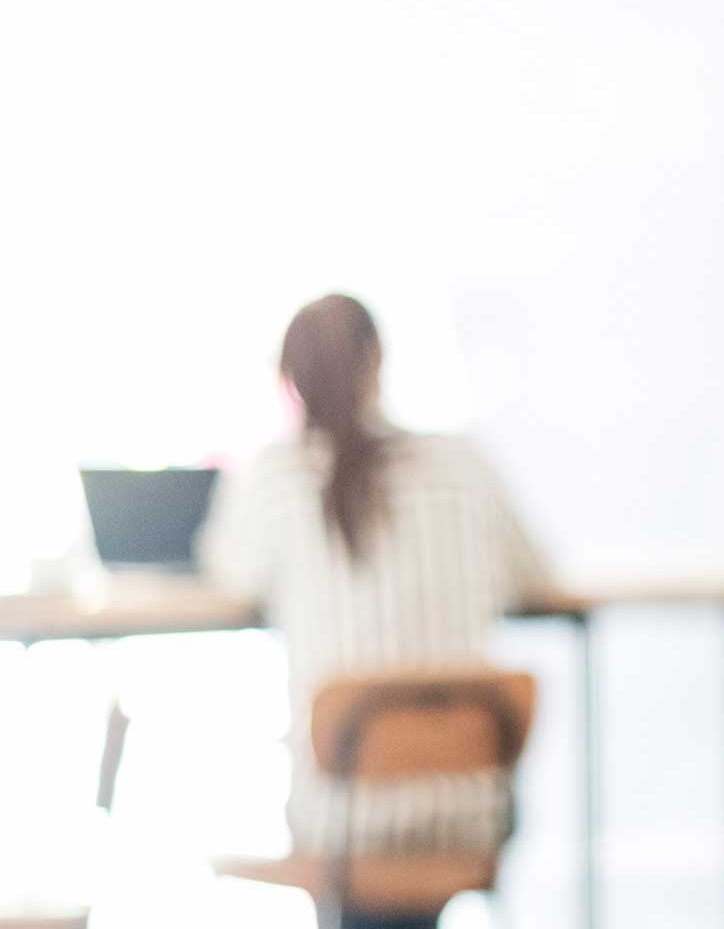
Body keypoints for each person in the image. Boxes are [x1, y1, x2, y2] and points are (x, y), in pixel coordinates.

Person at [198, 295, 552, 929]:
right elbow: (536, 575)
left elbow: (227, 576)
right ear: (379, 360)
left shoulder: (277, 480)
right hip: (469, 805)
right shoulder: (464, 465)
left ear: (290, 382)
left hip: (343, 816)